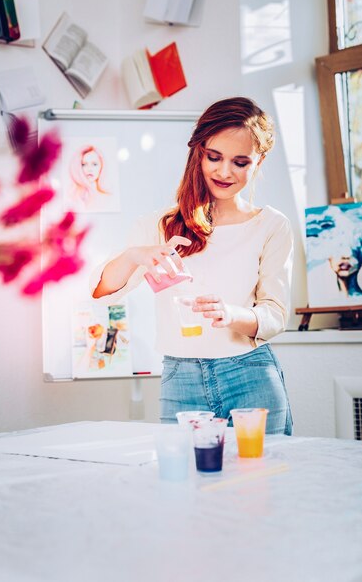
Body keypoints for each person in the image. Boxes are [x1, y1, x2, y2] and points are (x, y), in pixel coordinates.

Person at [90, 97, 294, 435]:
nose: (224, 171)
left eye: (240, 162)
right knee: (184, 483)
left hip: (251, 373)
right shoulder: (159, 224)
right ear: (198, 152)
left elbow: (275, 314)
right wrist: (133, 256)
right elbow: (102, 294)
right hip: (180, 377)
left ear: (259, 161)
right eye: (214, 157)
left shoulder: (271, 225)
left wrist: (231, 314)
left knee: (260, 483)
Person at [69, 145, 110, 210]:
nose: (89, 169)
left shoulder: (107, 198)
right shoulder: (72, 198)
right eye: (84, 164)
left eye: (94, 164)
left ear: (101, 166)